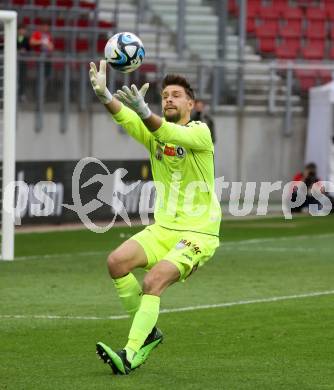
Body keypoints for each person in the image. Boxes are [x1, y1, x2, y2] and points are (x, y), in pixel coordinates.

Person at [89, 61, 221, 375]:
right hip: (163, 228)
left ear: (191, 103)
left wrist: (147, 114)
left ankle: (131, 353)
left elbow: (163, 127)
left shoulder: (200, 133)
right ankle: (148, 332)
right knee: (116, 262)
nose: (169, 99)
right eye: (165, 96)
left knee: (153, 281)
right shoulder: (155, 137)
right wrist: (105, 94)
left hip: (198, 232)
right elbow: (127, 118)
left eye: (177, 95)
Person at [17, 24, 30, 101]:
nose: (22, 31)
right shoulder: (13, 37)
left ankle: (21, 94)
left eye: (23, 29)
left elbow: (29, 49)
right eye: (21, 29)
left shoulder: (27, 39)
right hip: (14, 62)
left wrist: (25, 51)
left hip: (23, 62)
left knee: (22, 78)